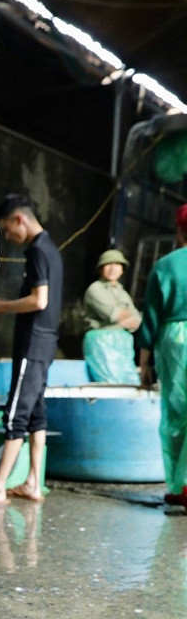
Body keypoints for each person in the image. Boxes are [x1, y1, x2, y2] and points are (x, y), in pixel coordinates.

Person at [0, 194, 62, 507]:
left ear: (20, 219)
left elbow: (39, 300)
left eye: (7, 229)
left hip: (33, 343)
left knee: (15, 413)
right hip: (46, 342)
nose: (8, 237)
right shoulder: (51, 249)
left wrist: (0, 306)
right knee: (35, 414)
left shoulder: (36, 251)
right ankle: (33, 481)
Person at [138, 204, 187, 509]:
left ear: (179, 230)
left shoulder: (166, 265)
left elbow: (151, 316)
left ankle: (178, 487)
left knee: (176, 413)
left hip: (175, 341)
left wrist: (144, 362)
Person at [82, 248, 141, 384]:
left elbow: (136, 321)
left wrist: (126, 318)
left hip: (123, 344)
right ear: (101, 268)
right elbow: (114, 314)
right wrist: (125, 317)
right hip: (101, 342)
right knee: (109, 383)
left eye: (117, 264)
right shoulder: (95, 289)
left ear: (122, 269)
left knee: (131, 384)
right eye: (109, 264)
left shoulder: (122, 292)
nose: (113, 268)